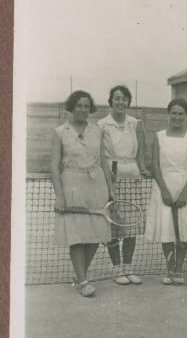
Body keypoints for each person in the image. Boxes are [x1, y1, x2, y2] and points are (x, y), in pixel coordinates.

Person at [51, 90, 114, 297]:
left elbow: (104, 161)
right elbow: (54, 166)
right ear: (71, 107)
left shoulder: (97, 130)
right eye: (79, 105)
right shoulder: (60, 132)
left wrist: (110, 188)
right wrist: (59, 196)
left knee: (95, 234)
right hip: (72, 185)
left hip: (97, 186)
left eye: (87, 106)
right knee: (77, 235)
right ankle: (84, 280)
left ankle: (80, 276)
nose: (83, 110)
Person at [98, 85, 149, 285]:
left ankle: (128, 267)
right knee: (113, 226)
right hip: (111, 177)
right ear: (111, 101)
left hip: (133, 176)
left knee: (131, 226)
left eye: (124, 98)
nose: (121, 102)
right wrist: (107, 175)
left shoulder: (135, 123)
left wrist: (143, 167)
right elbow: (100, 154)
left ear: (129, 102)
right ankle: (117, 269)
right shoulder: (102, 124)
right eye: (117, 98)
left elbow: (142, 150)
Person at [145, 98, 187, 284]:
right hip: (162, 186)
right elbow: (155, 165)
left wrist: (184, 192)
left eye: (180, 113)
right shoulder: (159, 136)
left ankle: (179, 269)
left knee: (183, 230)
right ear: (168, 114)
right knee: (166, 229)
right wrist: (164, 190)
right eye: (173, 113)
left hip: (185, 186)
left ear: (186, 115)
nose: (177, 117)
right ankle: (169, 270)